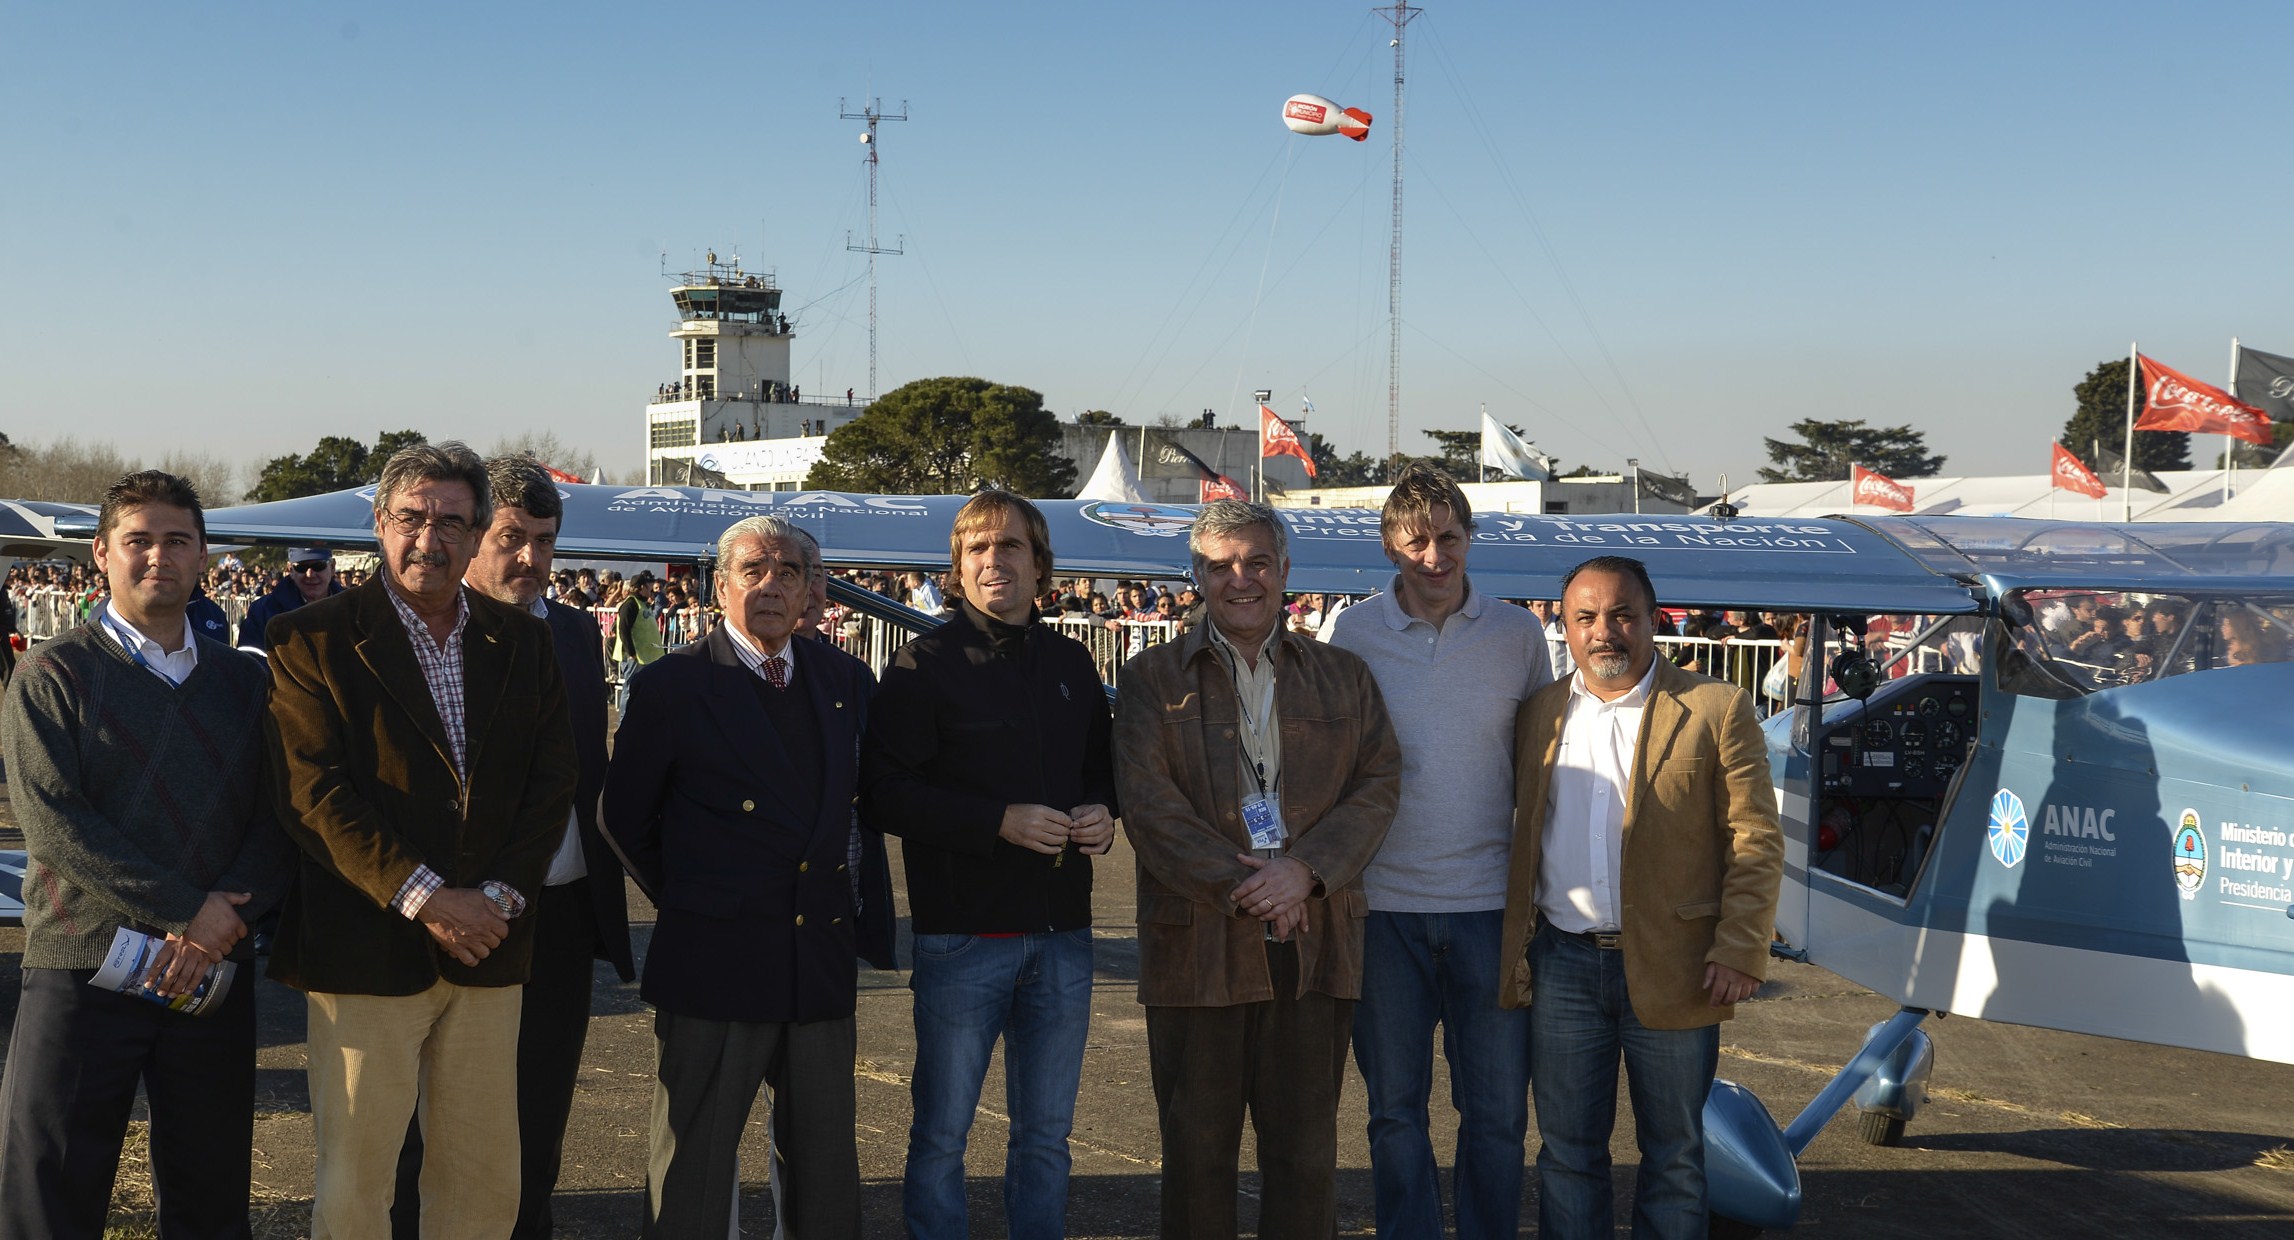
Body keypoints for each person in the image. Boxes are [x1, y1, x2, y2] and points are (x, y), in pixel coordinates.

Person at [263, 442, 578, 1240]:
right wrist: (429, 899)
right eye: (411, 518)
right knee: (356, 1186)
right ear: (379, 524)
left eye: (450, 522)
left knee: (482, 1181)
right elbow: (314, 794)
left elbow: (550, 787)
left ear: (477, 535)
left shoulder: (524, 642)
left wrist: (499, 900)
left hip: (489, 952)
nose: (428, 540)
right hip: (366, 948)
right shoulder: (310, 639)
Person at [0, 471, 294, 1240]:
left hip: (209, 970)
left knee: (210, 1189)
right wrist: (185, 911)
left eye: (176, 540)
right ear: (101, 554)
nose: (156, 556)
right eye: (138, 540)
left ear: (203, 557)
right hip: (80, 962)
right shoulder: (50, 675)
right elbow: (55, 823)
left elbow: (279, 819)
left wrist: (215, 924)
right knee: (50, 1190)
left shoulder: (246, 682)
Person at [1113, 499, 1403, 1239]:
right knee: (1196, 1154)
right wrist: (1253, 886)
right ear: (1196, 577)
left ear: (1285, 573)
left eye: (1256, 562)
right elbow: (1149, 807)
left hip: (1313, 940)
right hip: (1199, 943)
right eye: (1219, 566)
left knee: (1306, 1159)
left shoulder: (1345, 677)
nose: (1240, 579)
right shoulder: (1150, 679)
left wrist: (1304, 872)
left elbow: (1379, 784)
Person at [603, 515, 893, 1239]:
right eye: (753, 571)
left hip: (816, 956)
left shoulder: (844, 679)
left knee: (825, 1166)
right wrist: (698, 898)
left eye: (788, 573)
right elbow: (624, 819)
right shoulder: (673, 686)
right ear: (720, 587)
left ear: (811, 595)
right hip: (714, 958)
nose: (770, 585)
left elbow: (869, 804)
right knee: (695, 1166)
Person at [1496, 555, 1784, 1240]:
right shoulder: (1539, 713)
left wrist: (1742, 946)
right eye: (1586, 617)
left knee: (1677, 1158)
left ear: (1654, 619)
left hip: (1679, 964)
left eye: (1623, 614)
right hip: (1562, 965)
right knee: (1566, 1156)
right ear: (1562, 627)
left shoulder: (1715, 707)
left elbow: (1755, 837)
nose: (1606, 632)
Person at [388, 455, 636, 1239]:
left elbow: (587, 773)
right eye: (509, 537)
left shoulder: (572, 634)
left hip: (555, 913)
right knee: (422, 1125)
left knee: (538, 1114)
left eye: (544, 540)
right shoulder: (421, 637)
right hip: (447, 914)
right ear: (468, 537)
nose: (528, 558)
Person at [862, 491, 1118, 1240]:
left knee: (1046, 1139)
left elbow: (1100, 773)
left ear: (1041, 565)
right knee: (941, 1137)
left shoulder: (1072, 662)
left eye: (1009, 546)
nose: (992, 561)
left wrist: (1105, 812)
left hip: (1064, 935)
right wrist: (995, 822)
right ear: (956, 570)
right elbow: (882, 795)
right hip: (962, 937)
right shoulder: (921, 665)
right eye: (976, 549)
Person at [1323, 464, 1552, 1239]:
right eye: (1416, 539)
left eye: (1449, 537)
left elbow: (1539, 766)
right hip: (1381, 908)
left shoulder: (1518, 635)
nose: (1434, 554)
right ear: (1389, 545)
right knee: (1394, 1112)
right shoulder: (1350, 632)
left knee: (1494, 1116)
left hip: (1490, 907)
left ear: (1469, 540)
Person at [239, 546, 342, 653]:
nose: (310, 574)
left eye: (319, 566)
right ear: (290, 570)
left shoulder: (352, 608)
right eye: (301, 567)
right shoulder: (263, 611)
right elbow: (250, 659)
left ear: (332, 567)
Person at [612, 569, 665, 713]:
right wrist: (631, 653)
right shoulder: (630, 604)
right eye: (649, 587)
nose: (651, 590)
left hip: (645, 656)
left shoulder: (642, 603)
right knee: (630, 690)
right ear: (642, 587)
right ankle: (624, 721)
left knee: (640, 690)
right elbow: (623, 629)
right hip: (635, 657)